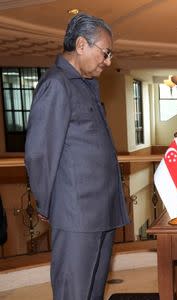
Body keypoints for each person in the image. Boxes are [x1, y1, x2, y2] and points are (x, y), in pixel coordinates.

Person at [24, 13, 129, 300]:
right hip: (76, 214)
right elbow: (39, 153)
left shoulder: (85, 85)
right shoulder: (56, 84)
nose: (108, 61)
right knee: (74, 293)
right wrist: (47, 203)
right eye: (105, 53)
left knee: (93, 292)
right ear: (81, 45)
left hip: (100, 210)